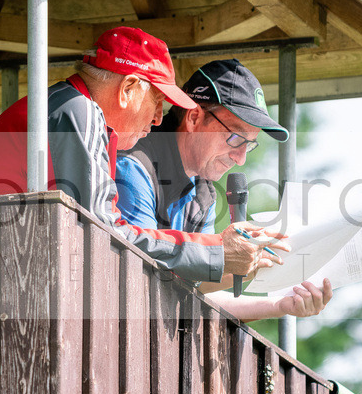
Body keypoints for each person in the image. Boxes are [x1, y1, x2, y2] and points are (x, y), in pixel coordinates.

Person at [0, 28, 286, 283]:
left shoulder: (74, 109)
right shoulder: (79, 110)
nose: (159, 119)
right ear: (128, 89)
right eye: (157, 101)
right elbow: (106, 236)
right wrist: (214, 251)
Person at [115, 59, 332, 320]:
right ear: (194, 117)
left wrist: (279, 305)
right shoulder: (134, 166)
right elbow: (143, 272)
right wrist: (220, 254)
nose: (240, 158)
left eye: (249, 144)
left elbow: (194, 288)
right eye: (235, 138)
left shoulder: (203, 191)